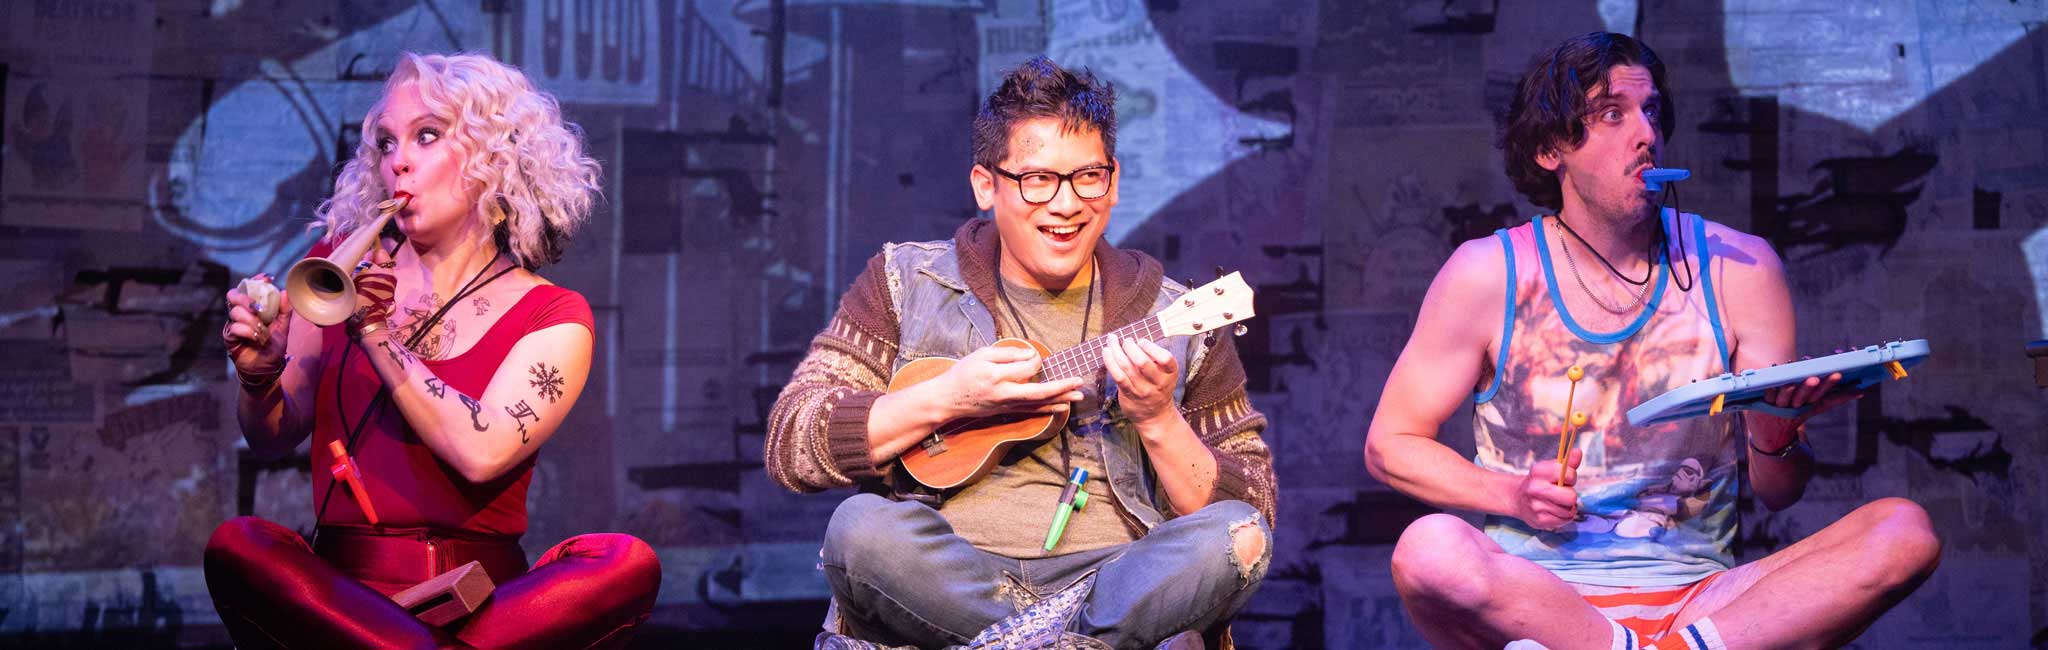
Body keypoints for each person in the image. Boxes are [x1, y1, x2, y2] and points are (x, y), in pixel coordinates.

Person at [1362, 32, 1941, 650]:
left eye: (1651, 111)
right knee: (1428, 550)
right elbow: (1389, 446)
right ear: (1549, 147)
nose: (1646, 133)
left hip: (1704, 604)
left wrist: (1774, 441)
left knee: (1905, 531)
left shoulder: (1740, 267)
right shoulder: (1488, 273)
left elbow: (1780, 492)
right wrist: (1510, 495)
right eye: (1613, 114)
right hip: (1543, 601)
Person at [765, 56, 1275, 649]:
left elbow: (1251, 505)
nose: (1066, 204)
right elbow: (792, 440)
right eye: (1038, 179)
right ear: (986, 184)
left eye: (1089, 176)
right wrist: (947, 398)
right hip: (950, 578)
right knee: (861, 530)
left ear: (1114, 181)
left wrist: (1159, 420)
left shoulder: (1182, 318)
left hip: (1114, 579)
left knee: (1240, 535)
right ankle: (1073, 642)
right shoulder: (904, 283)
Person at [206, 52, 659, 649]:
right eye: (387, 143)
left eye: (426, 136)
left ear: (495, 157)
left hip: (485, 606)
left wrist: (376, 334)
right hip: (345, 600)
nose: (399, 160)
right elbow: (270, 436)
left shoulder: (552, 313)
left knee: (627, 562)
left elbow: (479, 452)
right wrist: (259, 378)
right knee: (238, 545)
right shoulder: (336, 269)